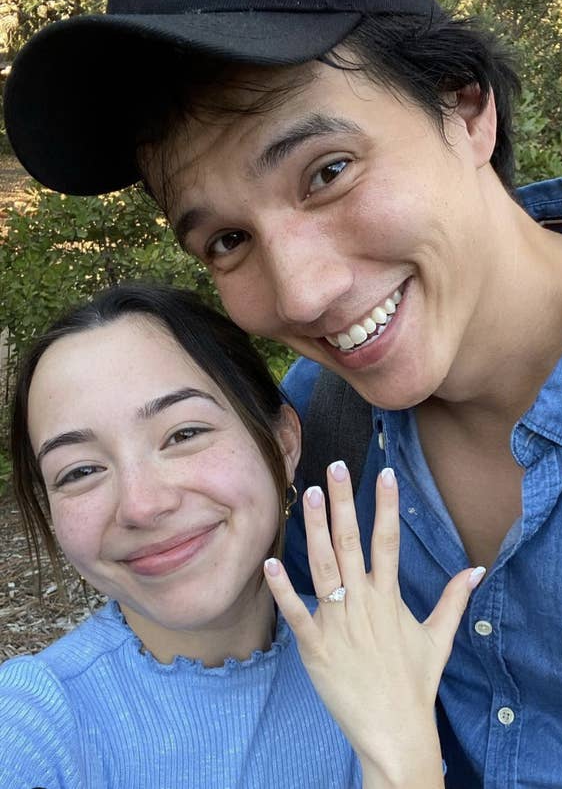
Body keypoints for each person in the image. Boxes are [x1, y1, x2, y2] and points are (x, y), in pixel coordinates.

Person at [3, 0, 562, 786]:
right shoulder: (313, 441)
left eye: (327, 171)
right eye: (229, 238)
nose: (300, 293)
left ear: (466, 108)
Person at [0, 283, 484, 789]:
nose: (141, 506)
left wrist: (401, 746)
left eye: (183, 434)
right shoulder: (35, 725)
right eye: (78, 471)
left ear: (282, 443)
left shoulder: (376, 650)